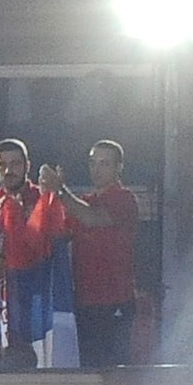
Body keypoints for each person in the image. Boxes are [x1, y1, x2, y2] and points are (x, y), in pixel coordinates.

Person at [0, 138, 72, 363]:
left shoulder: (43, 197)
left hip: (37, 296)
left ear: (27, 166)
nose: (8, 170)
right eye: (2, 165)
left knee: (36, 361)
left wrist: (50, 199)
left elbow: (61, 238)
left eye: (15, 164)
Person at [48, 140, 145, 367]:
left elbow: (92, 218)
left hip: (114, 301)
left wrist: (61, 191)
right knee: (88, 370)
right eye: (93, 163)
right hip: (83, 301)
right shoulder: (85, 201)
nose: (97, 169)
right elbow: (59, 230)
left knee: (112, 372)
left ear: (119, 167)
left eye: (105, 164)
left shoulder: (125, 199)